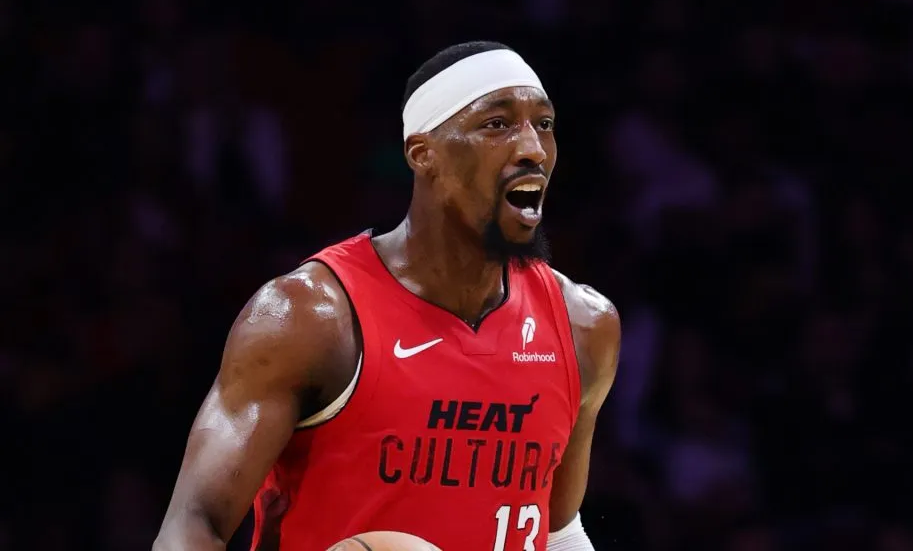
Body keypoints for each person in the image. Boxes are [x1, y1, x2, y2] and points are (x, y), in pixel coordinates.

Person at [153, 41, 620, 551]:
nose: (532, 147)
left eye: (545, 125)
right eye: (497, 124)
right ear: (424, 155)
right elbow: (193, 525)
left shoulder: (583, 328)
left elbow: (557, 532)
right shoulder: (310, 318)